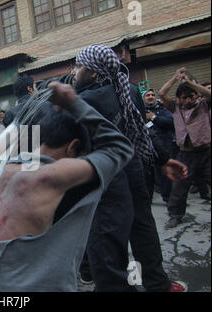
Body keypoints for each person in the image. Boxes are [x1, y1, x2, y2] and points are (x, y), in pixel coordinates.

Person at [0, 82, 135, 291]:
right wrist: (74, 103)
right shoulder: (52, 177)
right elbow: (120, 148)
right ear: (74, 147)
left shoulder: (5, 170)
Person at [72, 44, 187, 292]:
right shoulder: (130, 90)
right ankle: (157, 283)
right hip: (133, 166)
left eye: (78, 66)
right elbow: (140, 131)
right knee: (142, 226)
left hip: (105, 175)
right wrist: (163, 159)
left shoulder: (83, 100)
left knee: (105, 235)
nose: (74, 71)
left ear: (92, 72)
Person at [158, 68, 211, 228]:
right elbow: (161, 93)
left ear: (196, 95)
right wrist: (175, 77)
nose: (188, 100)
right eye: (184, 97)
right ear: (178, 99)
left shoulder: (203, 105)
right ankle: (175, 215)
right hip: (185, 155)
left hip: (207, 153)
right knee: (179, 187)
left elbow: (208, 95)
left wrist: (189, 82)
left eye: (191, 96)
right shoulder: (175, 108)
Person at [142, 89, 177, 202]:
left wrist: (154, 118)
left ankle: (168, 198)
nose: (150, 97)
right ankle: (148, 198)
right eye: (148, 95)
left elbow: (171, 123)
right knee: (148, 175)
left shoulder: (162, 109)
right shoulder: (140, 111)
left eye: (152, 94)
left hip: (163, 146)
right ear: (143, 98)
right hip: (146, 147)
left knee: (165, 174)